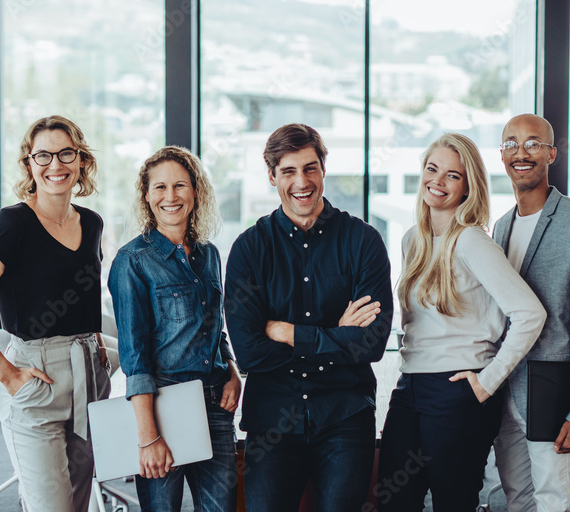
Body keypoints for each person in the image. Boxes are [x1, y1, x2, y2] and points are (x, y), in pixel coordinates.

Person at [0, 115, 111, 512]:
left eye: (66, 153)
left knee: (78, 502)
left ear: (81, 160)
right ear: (29, 164)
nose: (56, 165)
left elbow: (82, 297)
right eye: (44, 155)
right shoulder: (12, 224)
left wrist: (96, 342)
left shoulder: (91, 223)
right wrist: (7, 374)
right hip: (37, 379)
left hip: (89, 374)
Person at [224, 123, 393, 512]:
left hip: (345, 417)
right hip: (272, 423)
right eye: (288, 171)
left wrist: (286, 332)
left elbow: (373, 342)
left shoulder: (362, 240)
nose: (302, 181)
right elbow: (249, 353)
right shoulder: (249, 249)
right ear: (272, 176)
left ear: (323, 170)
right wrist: (336, 336)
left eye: (310, 168)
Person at [376, 133, 546, 511]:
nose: (437, 181)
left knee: (454, 502)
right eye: (432, 169)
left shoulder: (471, 241)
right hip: (412, 386)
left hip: (457, 389)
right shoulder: (412, 240)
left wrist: (487, 382)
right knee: (394, 499)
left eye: (452, 175)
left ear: (468, 187)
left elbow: (530, 314)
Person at [491, 113, 570, 512]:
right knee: (517, 499)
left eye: (532, 143)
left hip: (554, 393)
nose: (521, 152)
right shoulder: (500, 226)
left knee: (553, 502)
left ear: (551, 154)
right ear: (502, 155)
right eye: (511, 143)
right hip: (506, 390)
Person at [108, 146, 241, 512]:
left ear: (195, 191)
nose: (171, 196)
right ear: (146, 196)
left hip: (215, 405)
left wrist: (231, 370)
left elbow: (216, 327)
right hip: (163, 406)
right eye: (160, 187)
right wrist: (148, 436)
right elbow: (134, 355)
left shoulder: (209, 254)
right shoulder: (132, 261)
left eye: (180, 185)